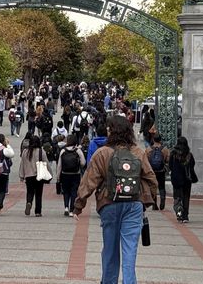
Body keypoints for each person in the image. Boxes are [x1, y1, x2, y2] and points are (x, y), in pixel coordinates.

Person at [72, 115, 157, 284]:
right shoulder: (138, 152)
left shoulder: (102, 153)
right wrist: (146, 201)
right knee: (130, 252)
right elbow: (151, 179)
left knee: (110, 250)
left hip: (109, 204)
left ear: (112, 131)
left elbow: (89, 181)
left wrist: (78, 206)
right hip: (134, 205)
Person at [56, 134, 85, 216]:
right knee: (74, 191)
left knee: (66, 191)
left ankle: (66, 207)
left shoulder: (63, 151)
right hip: (75, 174)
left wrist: (58, 176)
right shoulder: (78, 151)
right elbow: (83, 162)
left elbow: (59, 165)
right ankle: (72, 210)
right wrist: (79, 165)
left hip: (65, 174)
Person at [170, 136, 196, 223]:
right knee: (186, 197)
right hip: (187, 179)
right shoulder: (189, 155)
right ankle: (185, 216)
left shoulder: (173, 154)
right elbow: (192, 165)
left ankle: (179, 212)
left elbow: (170, 166)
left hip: (176, 179)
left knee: (177, 197)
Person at [19, 135, 47, 217]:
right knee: (39, 193)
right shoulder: (41, 151)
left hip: (28, 175)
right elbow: (46, 163)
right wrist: (50, 174)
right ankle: (38, 211)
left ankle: (29, 202)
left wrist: (21, 175)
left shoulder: (25, 152)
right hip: (39, 175)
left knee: (30, 191)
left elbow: (22, 164)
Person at [145, 134, 169, 210]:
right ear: (160, 140)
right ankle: (162, 201)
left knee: (153, 187)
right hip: (161, 171)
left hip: (152, 171)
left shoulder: (149, 149)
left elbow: (146, 160)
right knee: (162, 186)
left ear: (153, 140)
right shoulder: (164, 149)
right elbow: (167, 159)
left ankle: (154, 204)